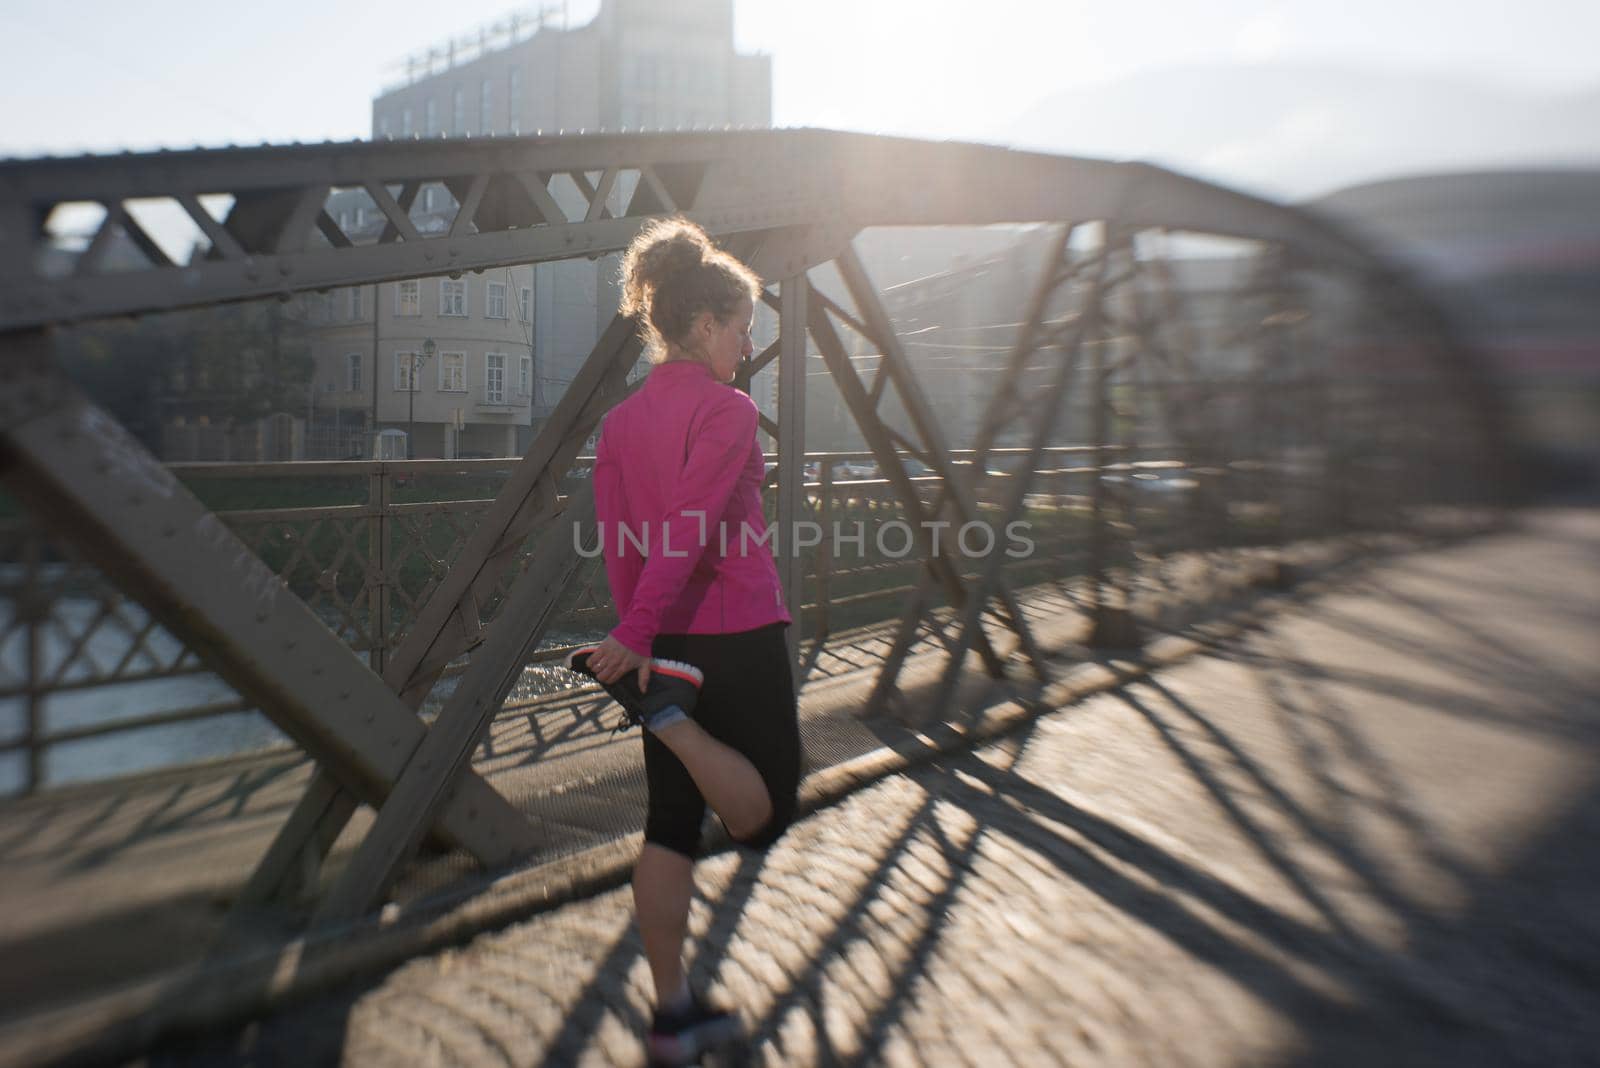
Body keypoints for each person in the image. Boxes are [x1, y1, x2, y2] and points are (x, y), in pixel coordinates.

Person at [579, 217, 801, 1065]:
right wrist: (641, 640)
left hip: (662, 642)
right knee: (765, 811)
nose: (748, 348)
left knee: (670, 827)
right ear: (705, 326)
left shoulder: (620, 423)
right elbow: (690, 526)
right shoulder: (728, 410)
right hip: (737, 630)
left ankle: (671, 1015)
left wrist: (642, 640)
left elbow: (624, 540)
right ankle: (669, 718)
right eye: (743, 329)